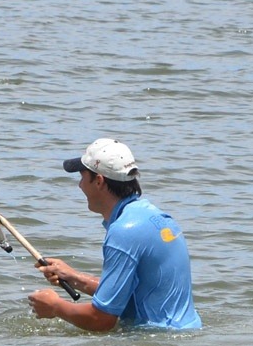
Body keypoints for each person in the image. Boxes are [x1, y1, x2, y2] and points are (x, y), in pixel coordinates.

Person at [28, 137, 201, 332]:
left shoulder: (124, 232)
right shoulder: (150, 215)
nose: (80, 186)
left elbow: (101, 320)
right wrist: (75, 278)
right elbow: (133, 293)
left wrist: (55, 307)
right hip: (184, 333)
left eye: (82, 177)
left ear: (99, 181)